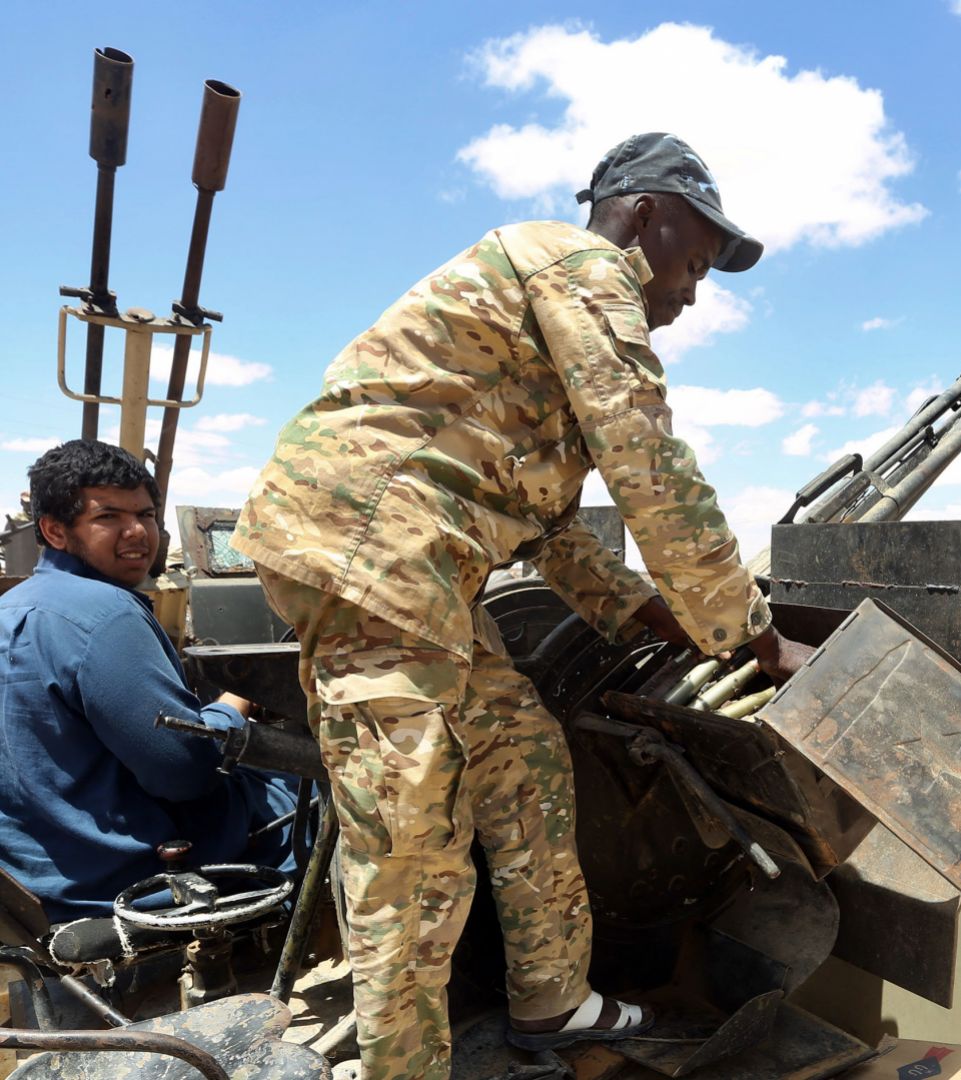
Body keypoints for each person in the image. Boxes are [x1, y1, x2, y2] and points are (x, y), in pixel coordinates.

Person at [233, 131, 813, 1079]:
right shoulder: (582, 264)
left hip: (422, 569)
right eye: (695, 264)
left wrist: (652, 618)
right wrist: (748, 632)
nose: (692, 293)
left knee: (522, 750)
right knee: (411, 844)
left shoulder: (529, 339)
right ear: (643, 215)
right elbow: (647, 458)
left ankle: (553, 999)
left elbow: (558, 539)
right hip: (373, 551)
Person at [0, 439, 296, 923]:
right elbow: (186, 773)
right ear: (54, 530)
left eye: (147, 514)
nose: (137, 532)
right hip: (121, 875)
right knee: (313, 796)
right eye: (109, 517)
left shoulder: (13, 605)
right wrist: (236, 703)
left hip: (36, 865)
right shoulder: (106, 615)